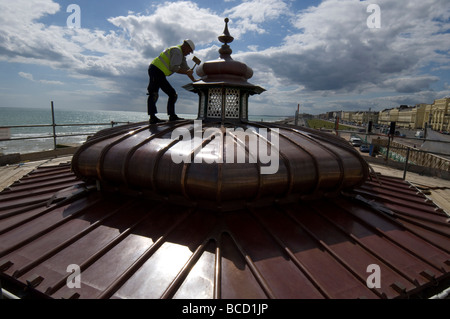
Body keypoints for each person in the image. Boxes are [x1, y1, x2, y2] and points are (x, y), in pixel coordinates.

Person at [147, 39, 197, 124]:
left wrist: (195, 80)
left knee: (169, 94)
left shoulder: (181, 56)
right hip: (156, 70)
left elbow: (187, 70)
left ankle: (165, 116)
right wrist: (187, 72)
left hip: (157, 71)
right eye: (189, 51)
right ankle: (163, 116)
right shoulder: (177, 52)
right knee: (157, 93)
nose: (189, 53)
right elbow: (173, 68)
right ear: (185, 46)